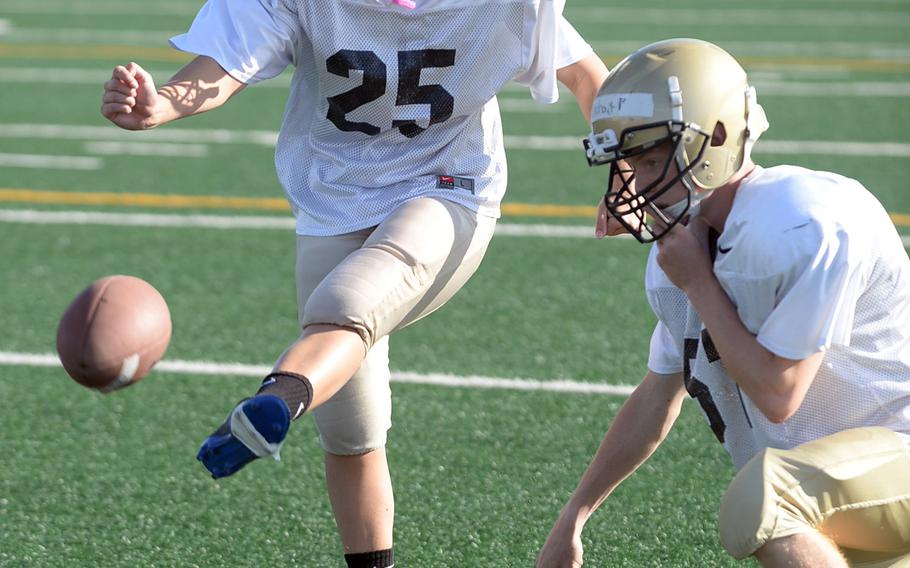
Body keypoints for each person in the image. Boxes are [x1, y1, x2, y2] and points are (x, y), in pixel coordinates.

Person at [101, 0, 607, 565]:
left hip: (449, 184)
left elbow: (587, 77)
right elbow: (228, 62)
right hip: (335, 197)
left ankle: (277, 398)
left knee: (349, 302)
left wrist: (625, 163)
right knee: (350, 432)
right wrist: (161, 103)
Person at [537, 38, 910, 568]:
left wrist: (701, 286)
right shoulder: (687, 250)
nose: (636, 181)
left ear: (714, 137)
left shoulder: (805, 220)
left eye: (648, 156)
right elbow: (658, 394)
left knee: (765, 496)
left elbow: (780, 393)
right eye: (627, 161)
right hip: (846, 493)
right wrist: (575, 515)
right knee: (771, 495)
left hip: (893, 465)